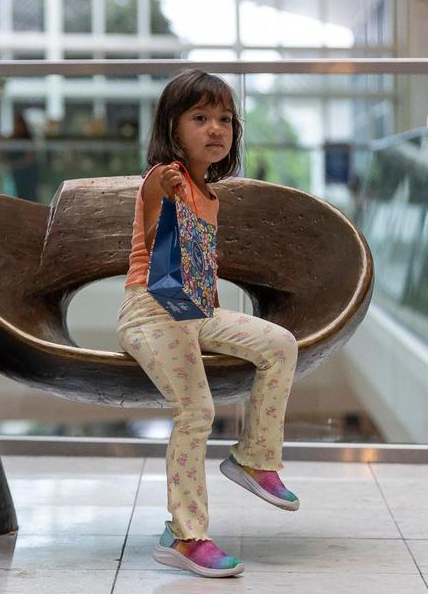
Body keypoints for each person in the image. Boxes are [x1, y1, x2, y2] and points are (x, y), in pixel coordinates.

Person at [117, 69, 299, 578]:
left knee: (280, 343)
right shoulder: (165, 177)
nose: (216, 129)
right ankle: (185, 534)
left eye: (225, 119)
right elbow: (156, 240)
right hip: (150, 309)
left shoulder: (211, 195)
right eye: (200, 118)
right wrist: (168, 194)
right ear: (173, 129)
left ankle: (255, 457)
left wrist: (213, 311)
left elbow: (198, 272)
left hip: (194, 312)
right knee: (197, 410)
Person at [1, 113, 39, 201]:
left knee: (28, 197)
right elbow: (4, 155)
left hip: (27, 175)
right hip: (16, 175)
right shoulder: (12, 139)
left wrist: (16, 164)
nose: (17, 126)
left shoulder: (28, 138)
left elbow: (30, 158)